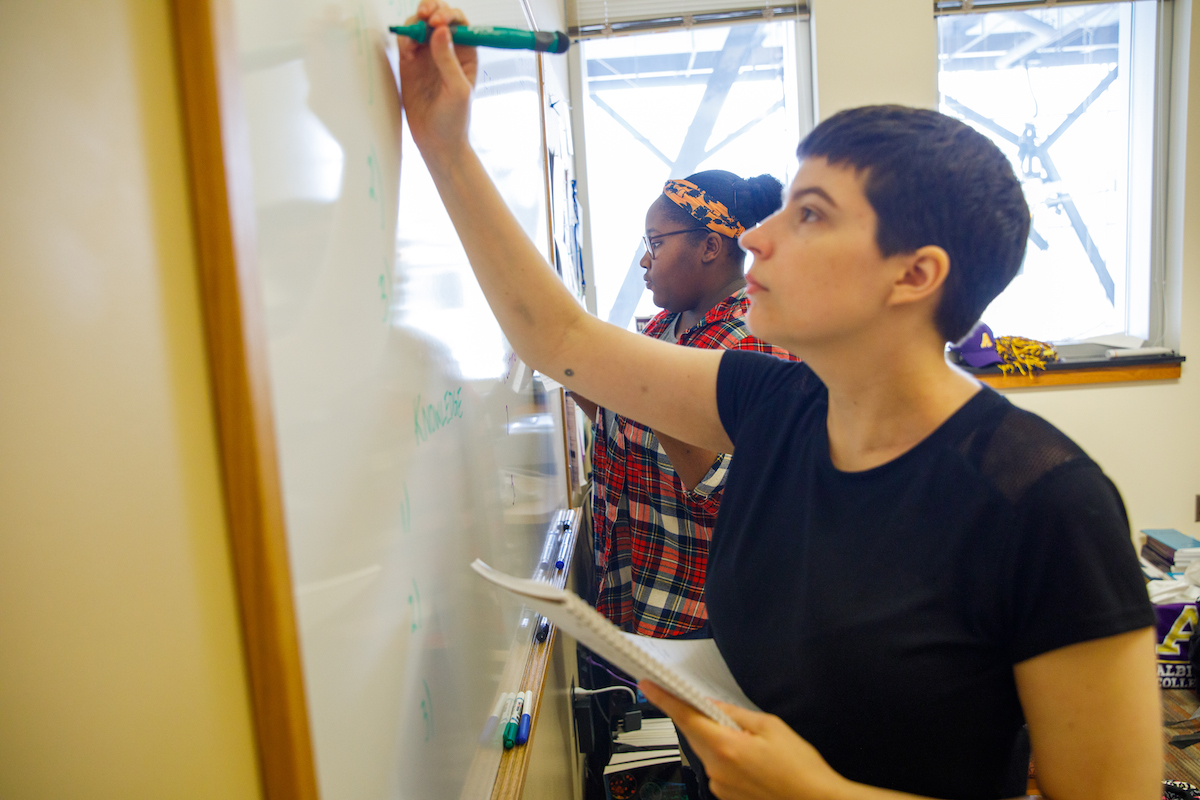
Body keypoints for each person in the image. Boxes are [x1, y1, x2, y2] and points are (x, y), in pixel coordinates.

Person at [395, 5, 1161, 799]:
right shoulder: (770, 402)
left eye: (810, 215)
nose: (757, 236)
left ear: (914, 275)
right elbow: (560, 340)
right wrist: (445, 146)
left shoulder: (1047, 504)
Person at [572, 170, 796, 640]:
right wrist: (577, 378)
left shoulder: (752, 341)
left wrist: (644, 388)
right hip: (641, 587)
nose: (645, 262)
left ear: (710, 247)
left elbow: (730, 497)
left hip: (705, 615)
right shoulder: (662, 329)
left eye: (656, 242)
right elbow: (634, 434)